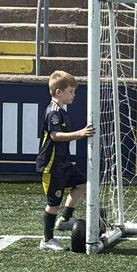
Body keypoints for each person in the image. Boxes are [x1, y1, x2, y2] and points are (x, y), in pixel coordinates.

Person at [35, 71, 94, 251]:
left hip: (63, 163)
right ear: (58, 92)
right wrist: (80, 133)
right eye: (71, 91)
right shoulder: (53, 112)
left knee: (83, 184)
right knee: (53, 203)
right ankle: (47, 239)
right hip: (51, 165)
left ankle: (65, 219)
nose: (73, 95)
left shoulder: (61, 111)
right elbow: (55, 136)